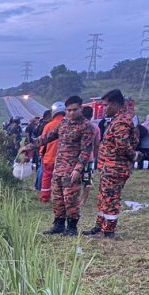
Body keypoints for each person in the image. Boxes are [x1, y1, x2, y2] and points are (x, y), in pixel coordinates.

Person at [28, 95, 96, 236]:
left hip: (72, 169)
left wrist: (78, 168)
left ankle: (71, 227)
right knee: (58, 198)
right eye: (68, 110)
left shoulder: (86, 126)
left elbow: (86, 150)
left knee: (70, 199)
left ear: (80, 109)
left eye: (74, 110)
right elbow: (48, 137)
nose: (71, 113)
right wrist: (30, 146)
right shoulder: (64, 123)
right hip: (58, 168)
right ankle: (58, 224)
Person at [84, 89, 139, 238]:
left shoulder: (121, 121)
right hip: (109, 166)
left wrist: (134, 156)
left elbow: (123, 146)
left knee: (111, 199)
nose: (104, 109)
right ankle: (99, 226)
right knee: (103, 197)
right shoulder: (117, 119)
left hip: (115, 167)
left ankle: (108, 231)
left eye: (106, 105)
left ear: (115, 104)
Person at [38, 102, 66, 202]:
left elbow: (42, 141)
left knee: (46, 177)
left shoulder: (49, 126)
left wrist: (41, 153)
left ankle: (45, 197)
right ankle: (60, 198)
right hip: (64, 160)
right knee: (62, 180)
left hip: (49, 157)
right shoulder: (68, 125)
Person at [80, 105, 101, 207]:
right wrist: (96, 156)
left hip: (76, 158)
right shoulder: (95, 127)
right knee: (87, 180)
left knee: (74, 179)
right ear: (92, 115)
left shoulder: (78, 126)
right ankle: (83, 200)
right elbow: (97, 144)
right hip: (89, 158)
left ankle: (73, 199)